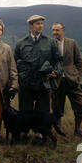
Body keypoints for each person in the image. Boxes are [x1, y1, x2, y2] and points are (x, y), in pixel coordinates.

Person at [14, 15, 63, 143]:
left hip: (43, 83)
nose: (40, 26)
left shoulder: (50, 42)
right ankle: (24, 134)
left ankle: (40, 135)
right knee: (25, 110)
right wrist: (18, 78)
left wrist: (55, 72)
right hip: (26, 83)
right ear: (30, 26)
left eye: (42, 23)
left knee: (43, 111)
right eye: (37, 24)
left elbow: (59, 60)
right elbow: (14, 63)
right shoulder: (21, 43)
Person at [52, 22, 82, 136]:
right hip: (57, 82)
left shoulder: (72, 43)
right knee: (57, 109)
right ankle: (59, 131)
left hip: (72, 81)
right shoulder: (50, 44)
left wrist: (77, 77)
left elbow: (79, 62)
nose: (54, 33)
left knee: (80, 106)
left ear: (63, 30)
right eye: (53, 30)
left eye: (57, 30)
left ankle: (77, 130)